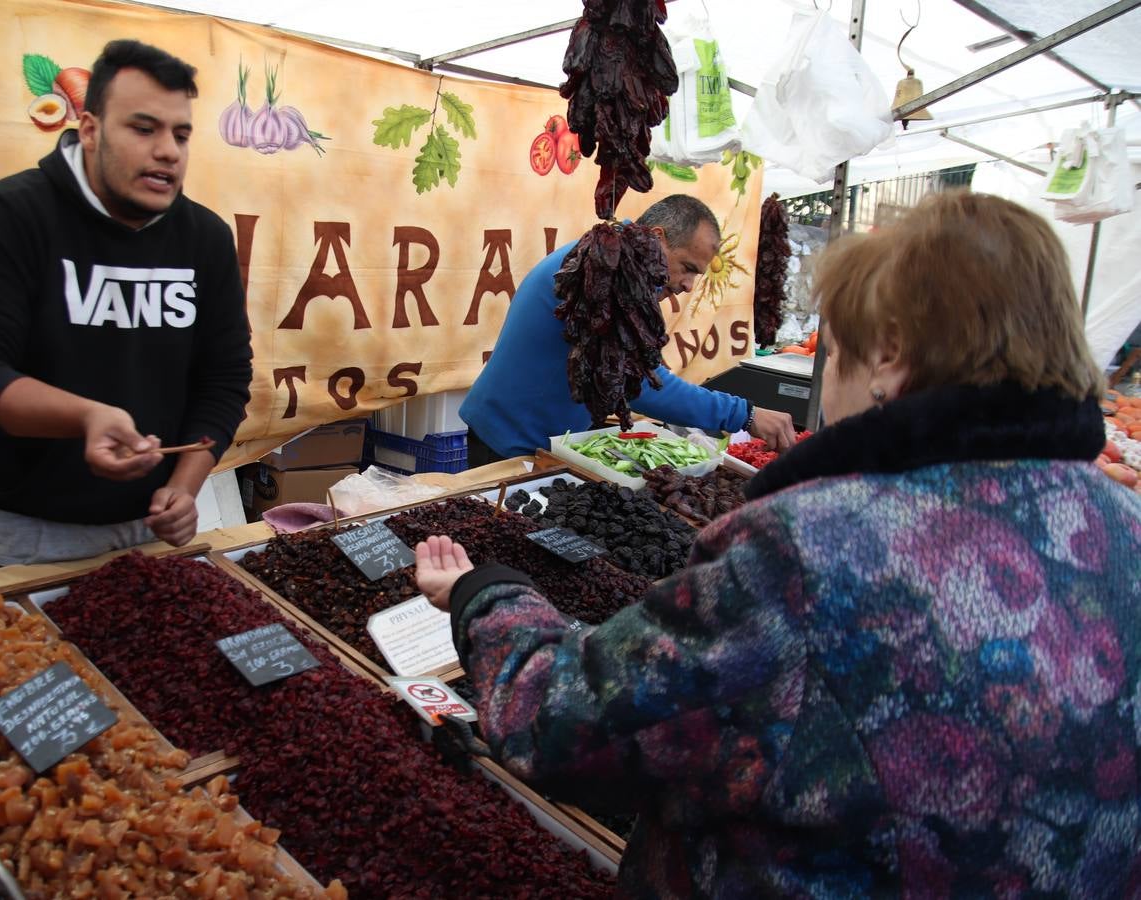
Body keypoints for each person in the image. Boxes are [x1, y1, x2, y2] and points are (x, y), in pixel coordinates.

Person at [418, 191, 1141, 896]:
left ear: (888, 355)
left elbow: (563, 723)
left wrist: (488, 596)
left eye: (841, 348)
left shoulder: (807, 547)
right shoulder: (1126, 530)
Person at [0, 40, 252, 577]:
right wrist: (85, 417)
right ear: (91, 129)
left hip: (150, 541)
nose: (169, 150)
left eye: (181, 134)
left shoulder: (205, 238)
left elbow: (225, 378)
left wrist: (183, 487)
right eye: (144, 129)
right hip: (16, 547)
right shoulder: (8, 216)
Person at [459, 194, 796, 465]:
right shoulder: (605, 272)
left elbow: (637, 371)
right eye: (687, 268)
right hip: (508, 443)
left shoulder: (617, 264)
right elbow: (641, 385)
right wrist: (744, 414)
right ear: (658, 239)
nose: (689, 286)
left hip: (540, 438)